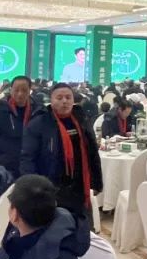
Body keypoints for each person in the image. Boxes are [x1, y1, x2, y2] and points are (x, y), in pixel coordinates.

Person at [20, 83, 103, 222]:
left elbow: (92, 152)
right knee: (55, 226)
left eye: (68, 97)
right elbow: (28, 158)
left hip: (79, 185)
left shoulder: (81, 119)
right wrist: (33, 189)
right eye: (59, 98)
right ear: (51, 100)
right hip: (51, 186)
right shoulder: (39, 122)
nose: (64, 101)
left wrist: (96, 182)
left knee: (80, 225)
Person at [0, 76, 42, 177]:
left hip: (32, 166)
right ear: (10, 90)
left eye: (24, 90)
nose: (20, 94)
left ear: (30, 90)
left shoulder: (39, 111)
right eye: (16, 90)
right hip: (4, 167)